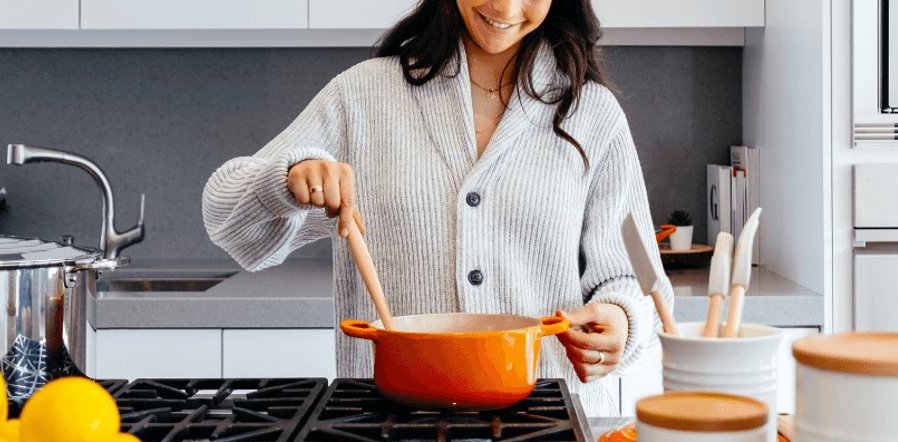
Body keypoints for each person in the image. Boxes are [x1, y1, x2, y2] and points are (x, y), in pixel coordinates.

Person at [202, 0, 673, 416]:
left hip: (549, 434)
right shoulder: (362, 97)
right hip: (386, 431)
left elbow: (637, 282)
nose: (506, 7)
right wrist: (286, 179)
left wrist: (620, 319)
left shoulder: (592, 113)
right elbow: (227, 222)